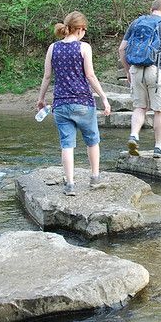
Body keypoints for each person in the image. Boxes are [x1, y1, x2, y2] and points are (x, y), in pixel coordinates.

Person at [37, 11, 111, 196]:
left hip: (60, 104)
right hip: (83, 102)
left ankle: (70, 185)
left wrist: (40, 99)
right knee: (92, 140)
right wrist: (103, 97)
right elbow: (90, 76)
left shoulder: (53, 48)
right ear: (80, 29)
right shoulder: (84, 48)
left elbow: (47, 76)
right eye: (84, 29)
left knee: (67, 145)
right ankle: (94, 178)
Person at [118, 0, 161, 157]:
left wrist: (128, 71)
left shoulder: (136, 23)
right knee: (159, 110)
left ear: (151, 9)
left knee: (140, 107)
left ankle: (134, 136)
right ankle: (158, 147)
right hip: (155, 71)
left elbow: (122, 49)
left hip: (135, 69)